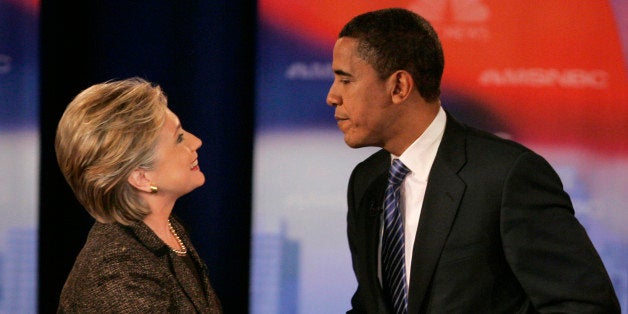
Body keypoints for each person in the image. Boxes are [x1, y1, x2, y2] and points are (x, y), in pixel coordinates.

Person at [326, 8, 620, 313]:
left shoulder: (506, 176)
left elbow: (585, 306)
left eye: (345, 81)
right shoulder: (366, 180)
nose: (332, 96)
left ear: (399, 87)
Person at [55, 77, 222, 313]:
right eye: (179, 138)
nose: (196, 141)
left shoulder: (164, 230)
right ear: (141, 178)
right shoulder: (118, 275)